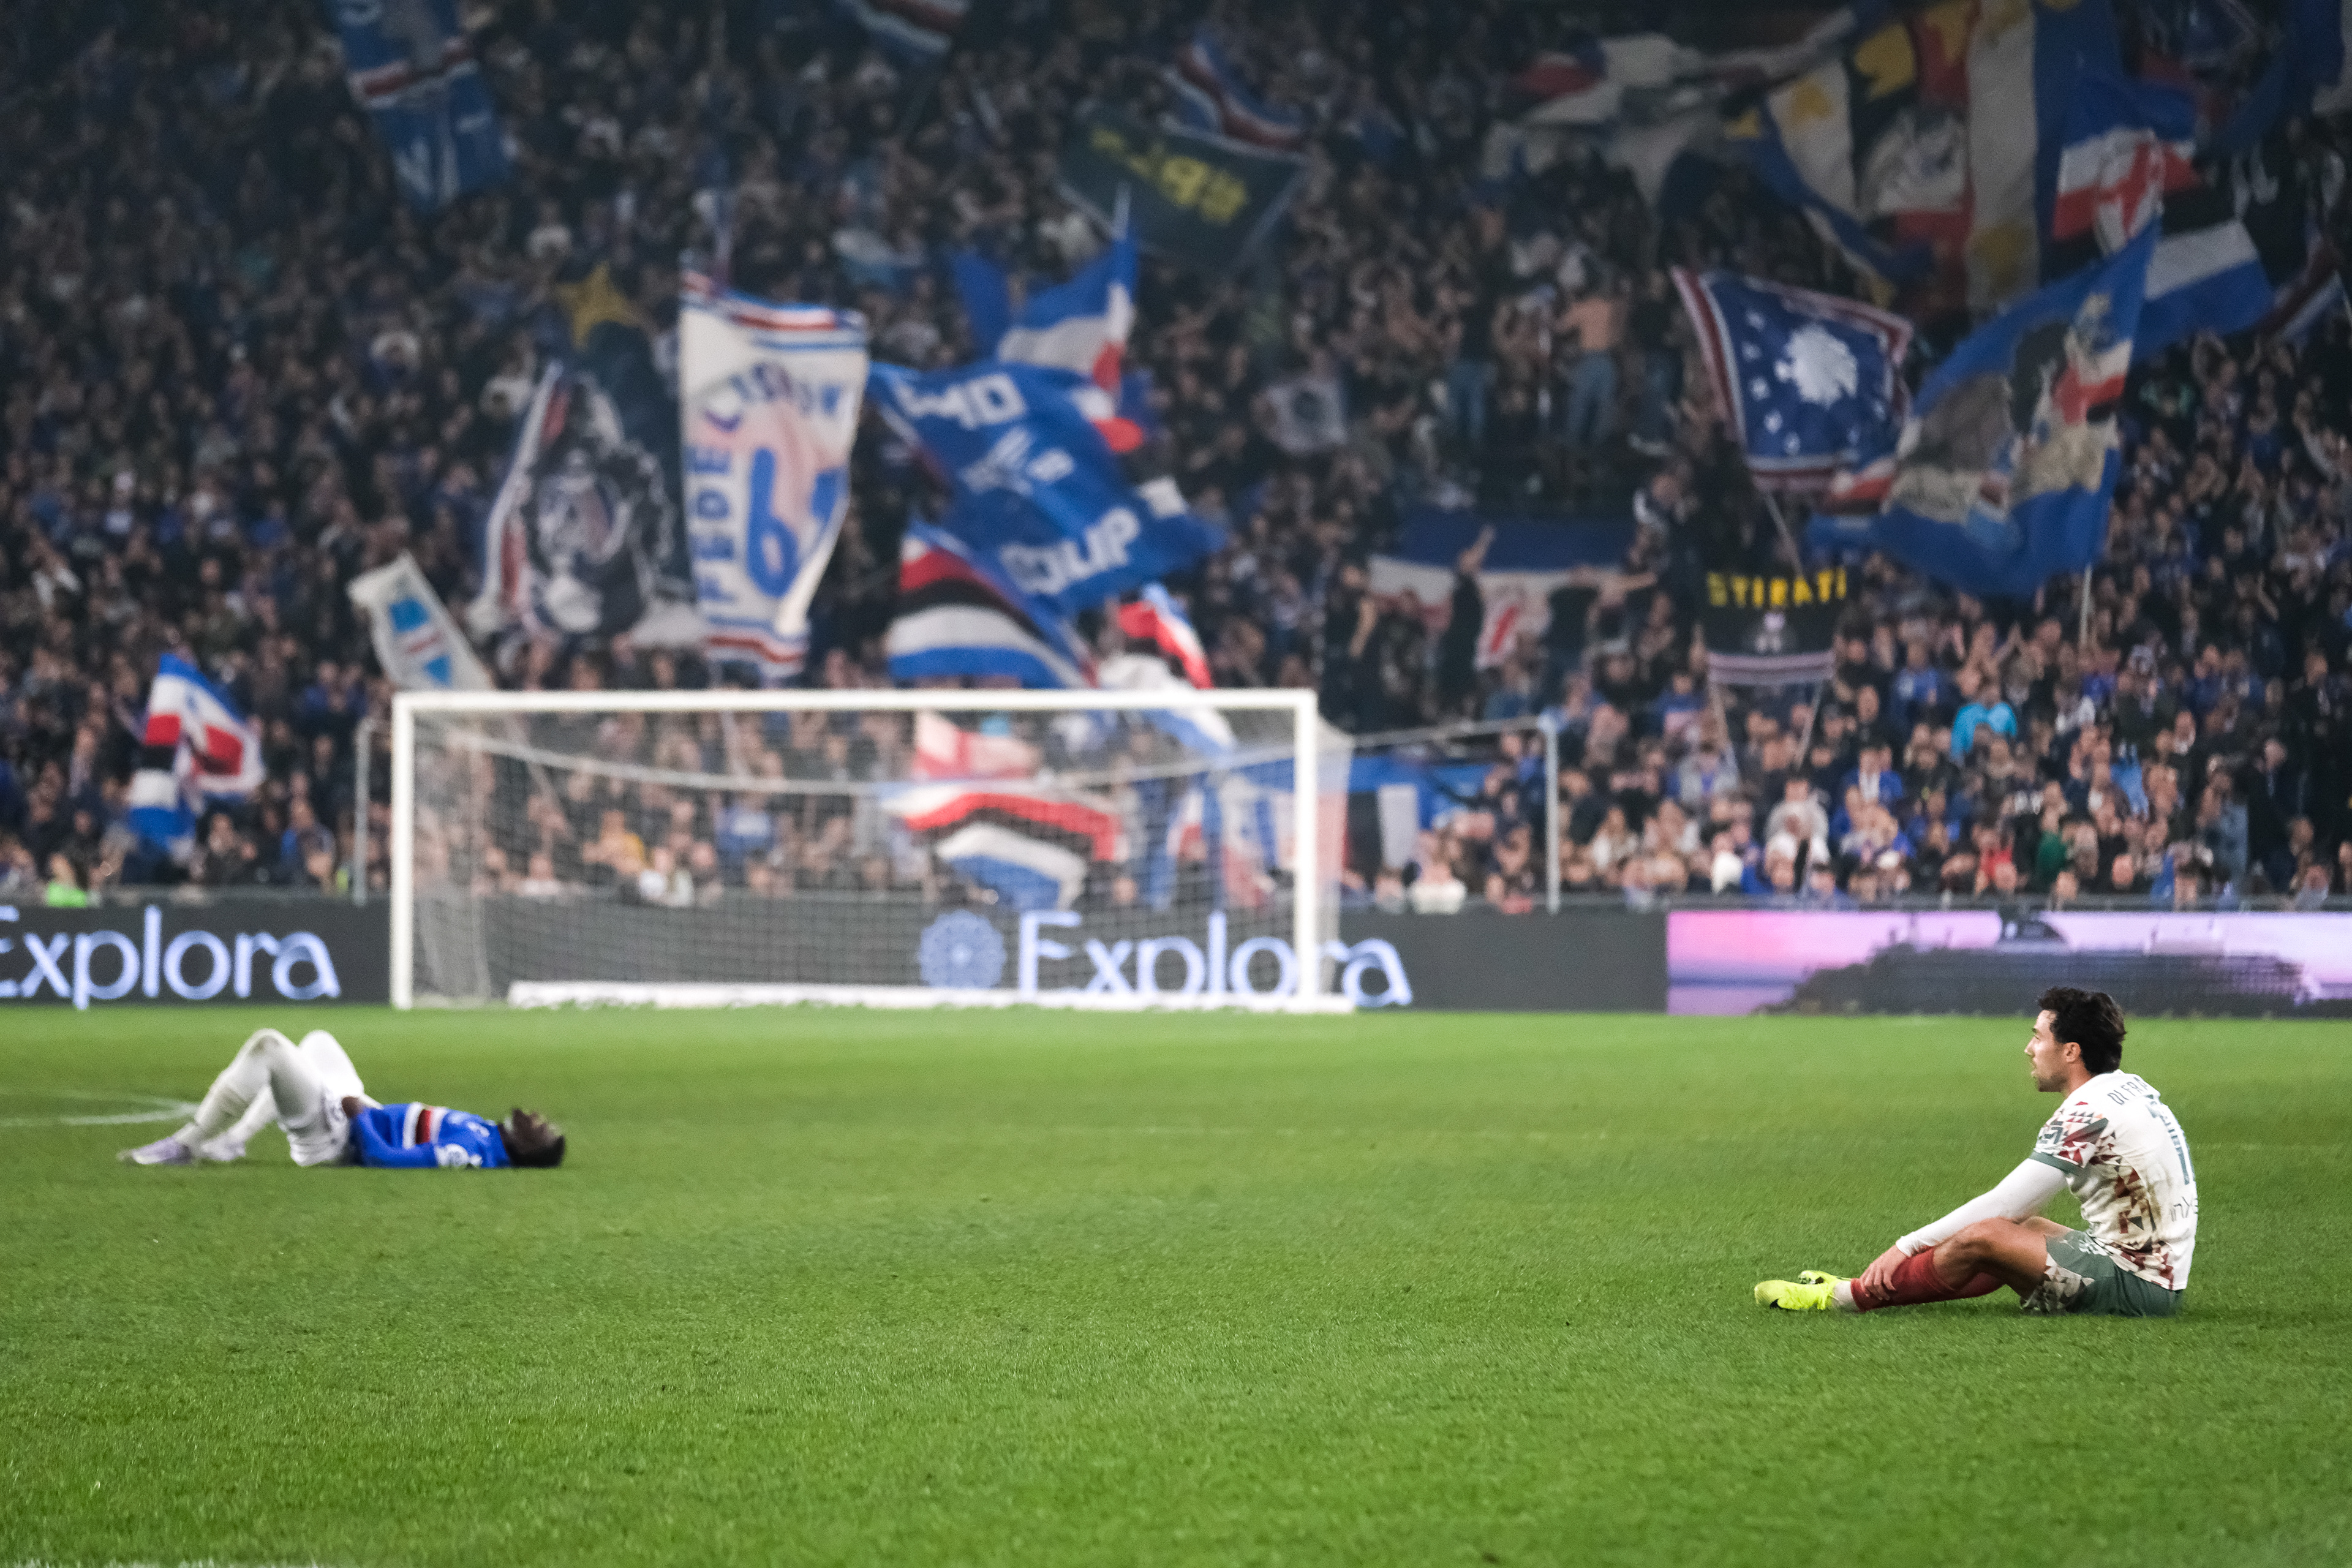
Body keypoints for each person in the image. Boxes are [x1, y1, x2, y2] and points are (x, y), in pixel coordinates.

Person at [1755, 987, 2195, 1317]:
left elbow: (2006, 1203)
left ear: (2071, 1051)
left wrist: (1904, 1247)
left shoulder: (2086, 1112)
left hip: (2139, 1287)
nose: (2029, 1049)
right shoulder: (2125, 1089)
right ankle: (1867, 1290)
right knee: (2025, 1228)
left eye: (2038, 1037)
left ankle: (1846, 1297)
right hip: (2156, 1276)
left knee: (1989, 1233)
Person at [119, 1028, 564, 1170]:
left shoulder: (467, 1151)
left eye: (542, 1129)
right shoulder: (486, 1133)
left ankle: (187, 1143)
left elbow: (386, 1160)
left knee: (270, 1046)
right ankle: (236, 1138)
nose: (538, 1118)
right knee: (317, 1042)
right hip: (359, 1114)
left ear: (528, 1149)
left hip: (337, 1140)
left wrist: (358, 1117)